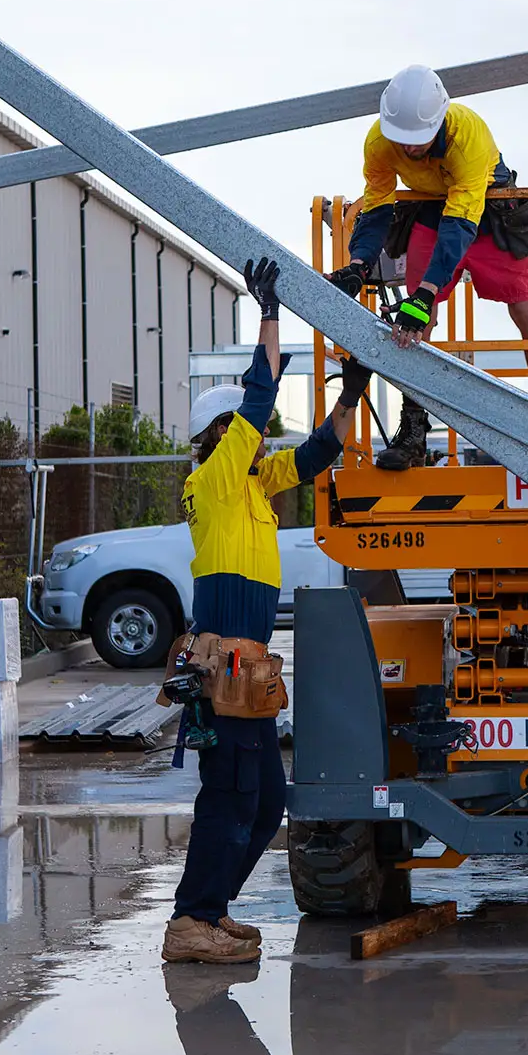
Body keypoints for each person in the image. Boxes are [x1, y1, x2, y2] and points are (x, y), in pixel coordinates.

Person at [164, 256, 373, 965]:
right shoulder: (217, 476)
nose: (259, 440)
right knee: (230, 800)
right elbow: (259, 395)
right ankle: (191, 920)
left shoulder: (248, 484)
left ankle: (209, 912)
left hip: (245, 665)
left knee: (264, 802)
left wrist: (350, 391)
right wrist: (271, 312)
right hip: (227, 663)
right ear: (222, 434)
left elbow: (315, 455)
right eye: (246, 431)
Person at [335, 64, 528, 470]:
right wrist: (358, 265)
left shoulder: (468, 137)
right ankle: (413, 428)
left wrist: (427, 293)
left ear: (439, 121)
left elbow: (461, 221)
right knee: (414, 322)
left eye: (418, 141)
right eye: (402, 141)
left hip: (488, 209)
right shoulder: (379, 140)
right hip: (431, 206)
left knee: (523, 305)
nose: (409, 150)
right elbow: (376, 204)